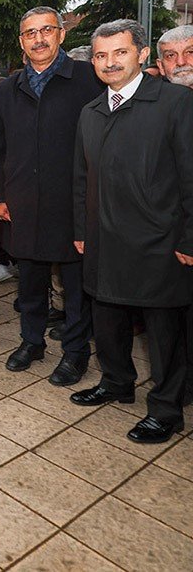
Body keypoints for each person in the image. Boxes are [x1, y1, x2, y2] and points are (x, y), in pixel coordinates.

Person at [71, 20, 193, 444]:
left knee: (164, 335)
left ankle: (166, 409)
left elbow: (191, 176)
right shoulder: (90, 111)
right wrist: (80, 230)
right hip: (103, 240)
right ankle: (116, 383)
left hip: (158, 243)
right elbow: (80, 177)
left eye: (119, 52)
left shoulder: (174, 103)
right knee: (107, 320)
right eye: (101, 56)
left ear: (142, 54)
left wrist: (189, 238)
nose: (109, 63)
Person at [0, 7, 103, 385]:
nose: (38, 39)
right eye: (29, 33)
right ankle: (31, 341)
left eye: (46, 31)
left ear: (61, 35)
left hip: (73, 203)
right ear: (21, 41)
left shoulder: (89, 79)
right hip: (23, 203)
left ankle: (75, 353)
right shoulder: (7, 89)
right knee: (30, 282)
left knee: (75, 288)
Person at [157, 24, 193, 403]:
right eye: (172, 55)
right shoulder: (155, 107)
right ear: (161, 64)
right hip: (168, 238)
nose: (182, 63)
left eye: (190, 52)